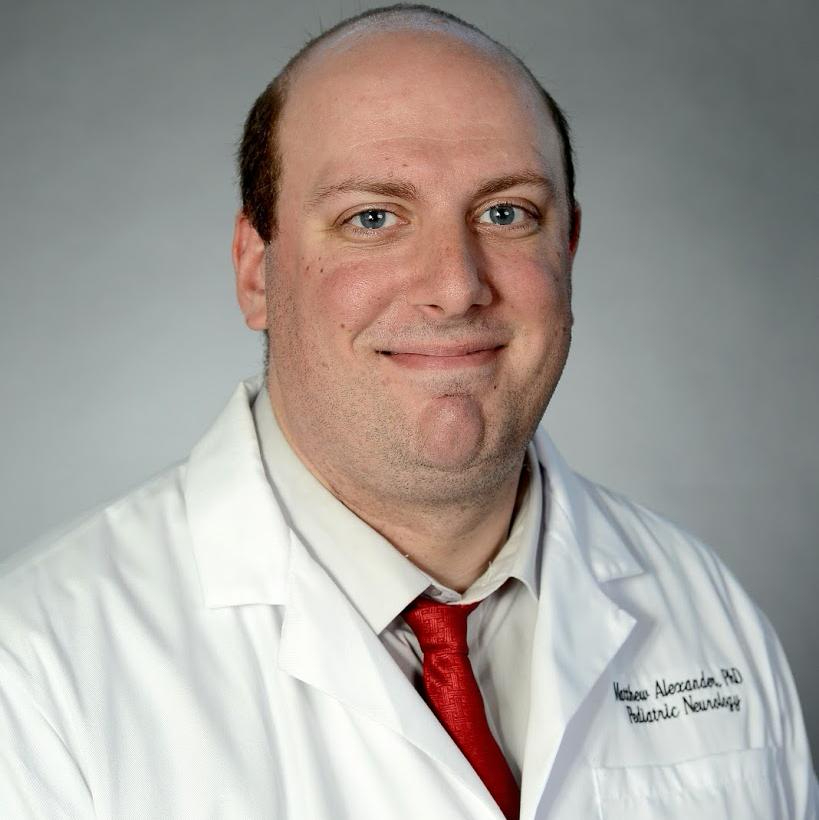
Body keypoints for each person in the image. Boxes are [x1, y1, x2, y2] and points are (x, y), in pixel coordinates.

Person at [1, 4, 816, 818]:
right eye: (372, 218)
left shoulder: (705, 610)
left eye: (505, 213)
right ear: (256, 272)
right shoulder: (38, 669)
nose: (456, 286)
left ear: (567, 251)